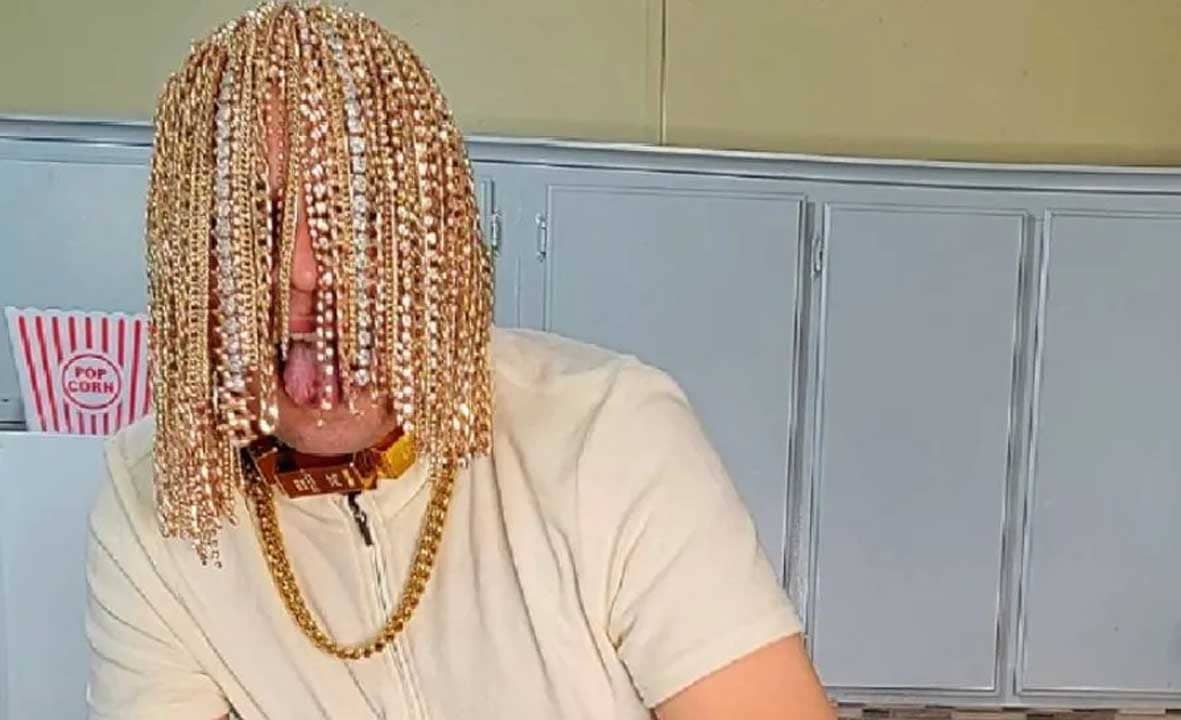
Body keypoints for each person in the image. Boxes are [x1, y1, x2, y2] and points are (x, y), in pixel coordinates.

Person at [84, 2, 836, 718]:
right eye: (255, 222)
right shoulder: (150, 498)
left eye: (357, 214)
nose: (305, 271)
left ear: (437, 236)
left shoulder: (613, 435)